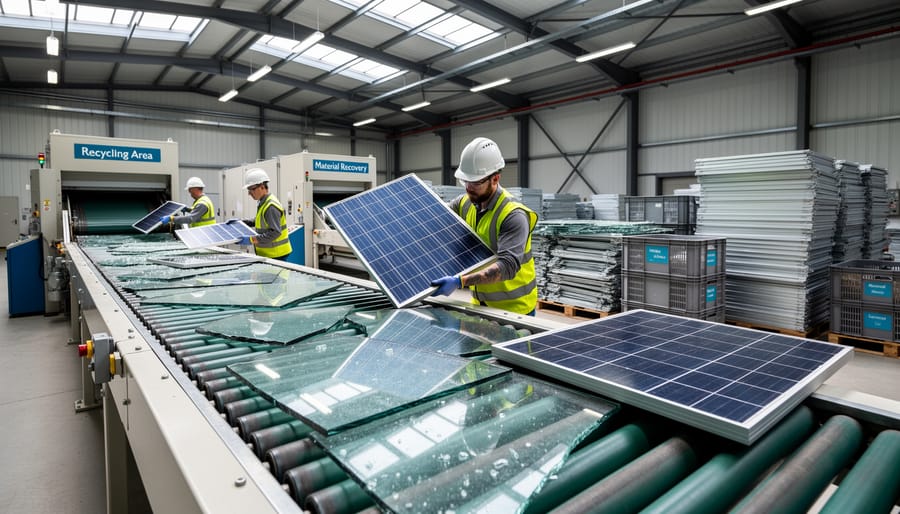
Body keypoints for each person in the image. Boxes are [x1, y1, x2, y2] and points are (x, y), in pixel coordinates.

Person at [431, 137, 539, 315]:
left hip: (515, 311)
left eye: (474, 182)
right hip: (480, 305)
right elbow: (437, 220)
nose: (468, 188)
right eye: (465, 181)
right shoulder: (464, 203)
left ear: (495, 179)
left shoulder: (513, 215)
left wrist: (460, 281)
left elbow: (507, 266)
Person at [240, 168, 292, 261]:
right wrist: (242, 222)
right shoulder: (264, 202)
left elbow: (275, 232)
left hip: (276, 255)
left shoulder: (270, 206)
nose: (249, 193)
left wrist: (251, 240)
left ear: (262, 187)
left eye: (251, 189)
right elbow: (261, 221)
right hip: (271, 254)